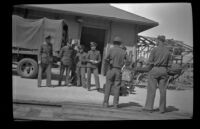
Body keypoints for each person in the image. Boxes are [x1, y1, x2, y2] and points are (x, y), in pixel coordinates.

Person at [142, 35, 171, 113]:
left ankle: (148, 108)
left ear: (158, 41)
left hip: (155, 69)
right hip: (164, 70)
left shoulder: (154, 50)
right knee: (163, 90)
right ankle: (162, 109)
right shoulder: (168, 51)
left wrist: (148, 69)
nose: (156, 42)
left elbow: (150, 62)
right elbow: (169, 64)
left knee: (151, 89)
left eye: (156, 40)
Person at [102, 36, 129, 108]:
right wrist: (123, 65)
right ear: (120, 43)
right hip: (118, 70)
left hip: (111, 69)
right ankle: (115, 104)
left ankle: (105, 103)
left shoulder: (111, 50)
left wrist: (109, 62)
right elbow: (129, 61)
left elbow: (105, 59)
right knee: (117, 87)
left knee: (108, 86)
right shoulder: (124, 51)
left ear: (114, 43)